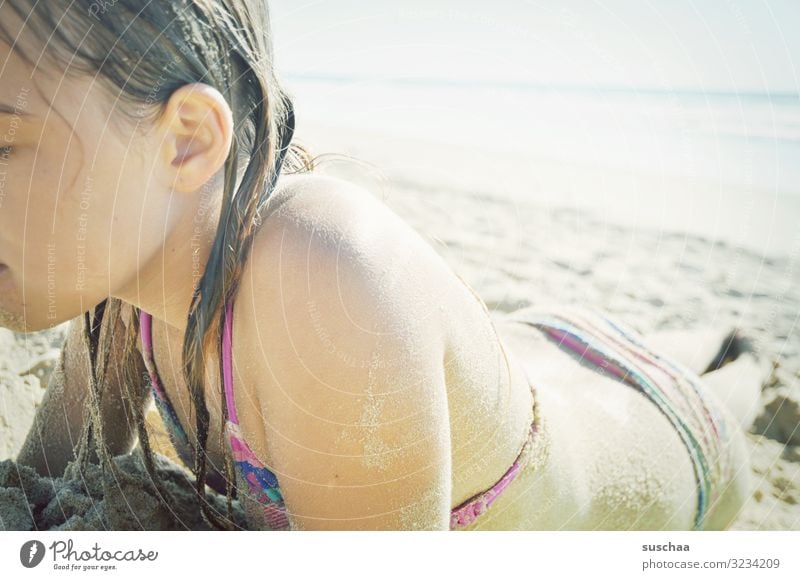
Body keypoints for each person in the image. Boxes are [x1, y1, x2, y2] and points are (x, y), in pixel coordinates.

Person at [2, 1, 761, 531]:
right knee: (603, 342)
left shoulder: (326, 277)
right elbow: (32, 488)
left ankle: (743, 361)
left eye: (3, 142)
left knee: (736, 370)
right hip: (540, 342)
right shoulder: (117, 307)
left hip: (666, 439)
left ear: (187, 142)